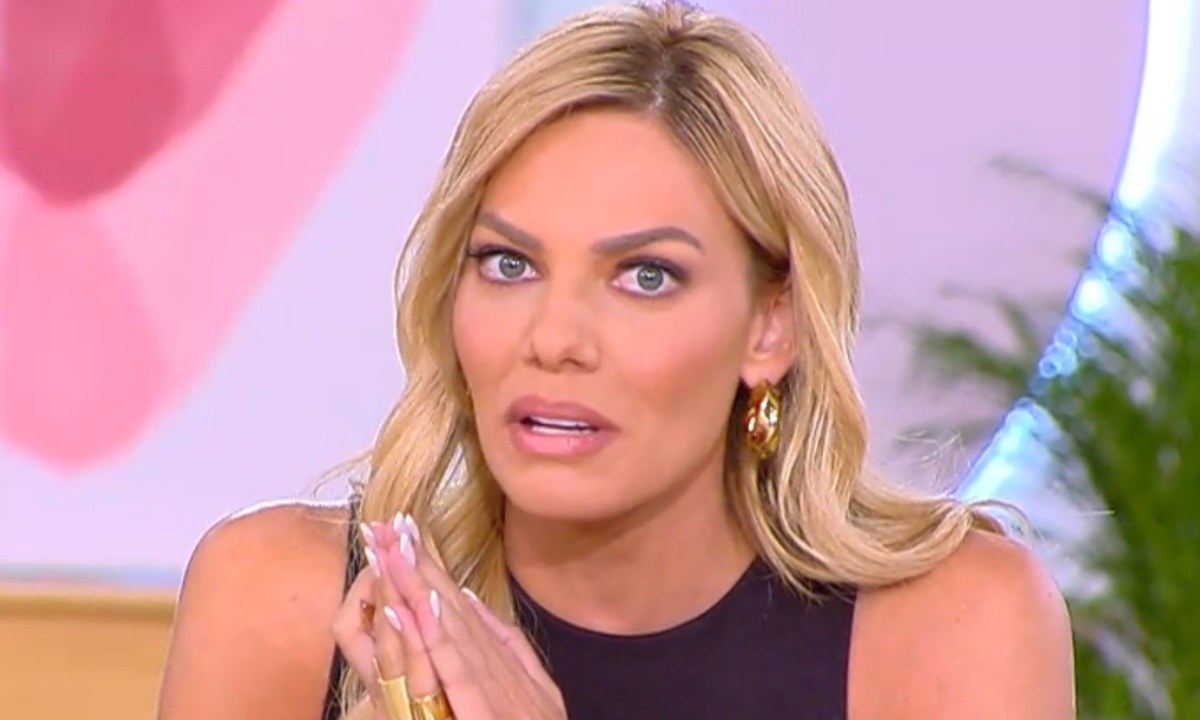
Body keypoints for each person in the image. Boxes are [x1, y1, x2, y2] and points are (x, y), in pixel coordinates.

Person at [155, 2, 1076, 719]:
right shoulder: (283, 605)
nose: (554, 338)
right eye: (508, 264)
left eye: (645, 277)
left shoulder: (953, 629)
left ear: (771, 326)